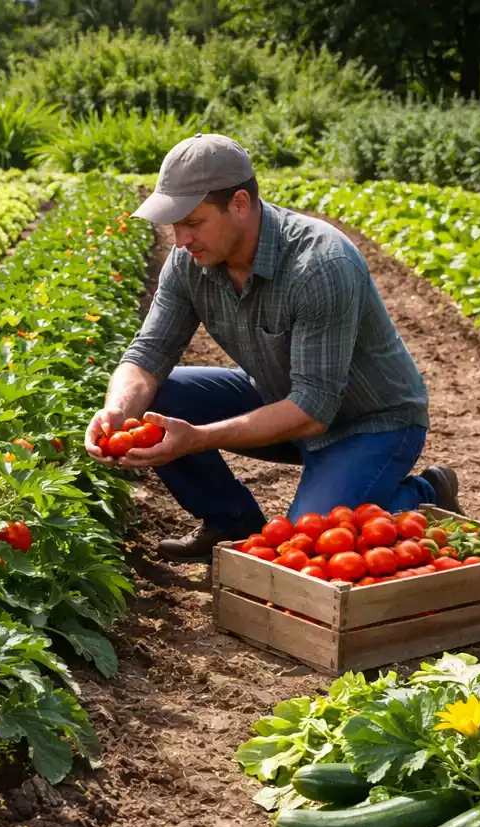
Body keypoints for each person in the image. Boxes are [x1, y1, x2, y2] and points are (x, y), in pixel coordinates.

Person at [84, 133, 460, 560]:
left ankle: (426, 491)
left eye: (193, 221)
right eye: (175, 224)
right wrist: (118, 410)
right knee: (159, 398)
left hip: (370, 422)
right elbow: (147, 355)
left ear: (240, 205)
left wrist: (195, 439)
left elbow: (315, 409)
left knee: (307, 543)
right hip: (282, 398)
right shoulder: (190, 261)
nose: (181, 238)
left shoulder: (320, 264)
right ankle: (231, 521)